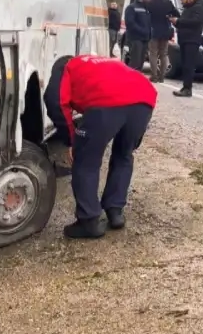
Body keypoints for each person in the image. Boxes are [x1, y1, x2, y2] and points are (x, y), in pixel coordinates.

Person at [44, 54, 157, 239]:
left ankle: (88, 221)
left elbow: (55, 101)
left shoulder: (65, 67)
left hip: (106, 102)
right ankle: (115, 211)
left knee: (86, 161)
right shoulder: (101, 62)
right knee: (124, 154)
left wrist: (71, 139)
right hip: (144, 99)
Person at [173, 0, 203, 97]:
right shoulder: (188, 8)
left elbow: (195, 22)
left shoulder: (198, 8)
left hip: (191, 40)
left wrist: (178, 21)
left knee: (189, 64)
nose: (182, 2)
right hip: (185, 40)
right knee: (185, 64)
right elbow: (185, 23)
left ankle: (188, 88)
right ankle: (185, 86)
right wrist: (175, 22)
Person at [144, 0, 179, 83]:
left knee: (153, 54)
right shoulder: (168, 3)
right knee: (163, 54)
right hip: (165, 31)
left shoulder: (149, 3)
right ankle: (162, 76)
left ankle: (154, 76)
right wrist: (168, 16)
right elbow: (177, 14)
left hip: (153, 31)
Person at [123, 0, 152, 72]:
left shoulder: (147, 8)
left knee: (140, 63)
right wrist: (143, 31)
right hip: (136, 39)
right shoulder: (131, 8)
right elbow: (130, 24)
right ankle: (130, 81)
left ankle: (136, 81)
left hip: (145, 39)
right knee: (135, 62)